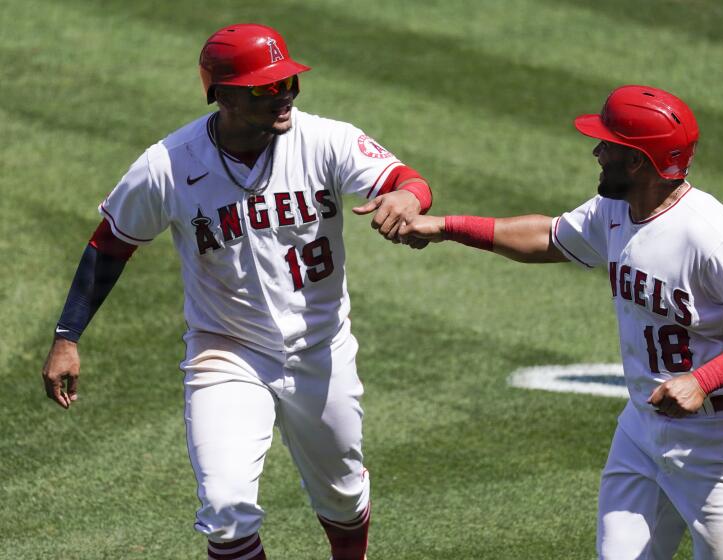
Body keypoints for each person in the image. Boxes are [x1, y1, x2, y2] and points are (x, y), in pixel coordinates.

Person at [41, 23, 434, 560]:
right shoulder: (168, 164)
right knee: (226, 513)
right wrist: (68, 336)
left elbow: (406, 180)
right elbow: (109, 245)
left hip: (321, 348)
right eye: (266, 88)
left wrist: (409, 199)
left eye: (289, 83)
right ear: (221, 95)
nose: (285, 96)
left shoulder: (325, 139)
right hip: (225, 352)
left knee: (342, 499)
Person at [399, 85, 723, 559]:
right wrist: (446, 227)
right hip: (643, 429)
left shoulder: (714, 236)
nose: (597, 151)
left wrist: (702, 380)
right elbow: (548, 238)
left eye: (608, 144)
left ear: (636, 162)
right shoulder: (617, 211)